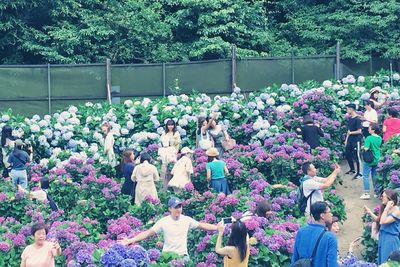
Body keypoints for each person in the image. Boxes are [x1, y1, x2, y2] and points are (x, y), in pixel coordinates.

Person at [119, 197, 217, 258]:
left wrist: (217, 227)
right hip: (167, 257)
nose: (179, 209)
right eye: (176, 207)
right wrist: (130, 240)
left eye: (180, 206)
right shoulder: (163, 221)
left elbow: (203, 225)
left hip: (183, 256)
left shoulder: (187, 220)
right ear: (170, 209)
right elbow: (147, 233)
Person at [292, 201, 338, 266]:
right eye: (329, 212)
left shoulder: (301, 232)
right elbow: (332, 264)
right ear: (322, 216)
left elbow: (294, 259)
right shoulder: (330, 237)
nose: (331, 214)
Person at [364, 189, 400, 264]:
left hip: (390, 239)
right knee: (382, 261)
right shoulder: (387, 208)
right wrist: (370, 212)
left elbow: (383, 222)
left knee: (388, 262)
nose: (381, 198)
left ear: (389, 199)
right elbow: (379, 220)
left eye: (383, 196)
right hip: (383, 237)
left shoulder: (397, 211)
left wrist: (386, 208)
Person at [360, 123, 382, 200]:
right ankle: (376, 192)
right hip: (377, 158)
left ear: (373, 130)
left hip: (369, 159)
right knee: (374, 176)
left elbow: (366, 148)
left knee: (365, 176)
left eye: (369, 128)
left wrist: (362, 147)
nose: (368, 129)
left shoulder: (369, 138)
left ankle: (366, 193)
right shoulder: (379, 138)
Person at [158, 119, 181, 190]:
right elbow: (161, 142)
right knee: (164, 169)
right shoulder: (164, 133)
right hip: (164, 151)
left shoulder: (176, 133)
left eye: (172, 125)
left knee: (172, 168)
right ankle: (164, 187)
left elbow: (178, 144)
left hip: (172, 151)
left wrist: (175, 152)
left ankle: (173, 187)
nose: (170, 126)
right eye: (169, 125)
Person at [344, 103, 363, 180]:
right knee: (347, 153)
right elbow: (348, 131)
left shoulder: (357, 119)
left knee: (357, 156)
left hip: (356, 140)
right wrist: (346, 140)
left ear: (351, 109)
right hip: (350, 139)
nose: (347, 110)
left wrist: (351, 133)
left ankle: (359, 173)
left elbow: (359, 131)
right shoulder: (350, 118)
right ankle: (352, 169)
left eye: (347, 109)